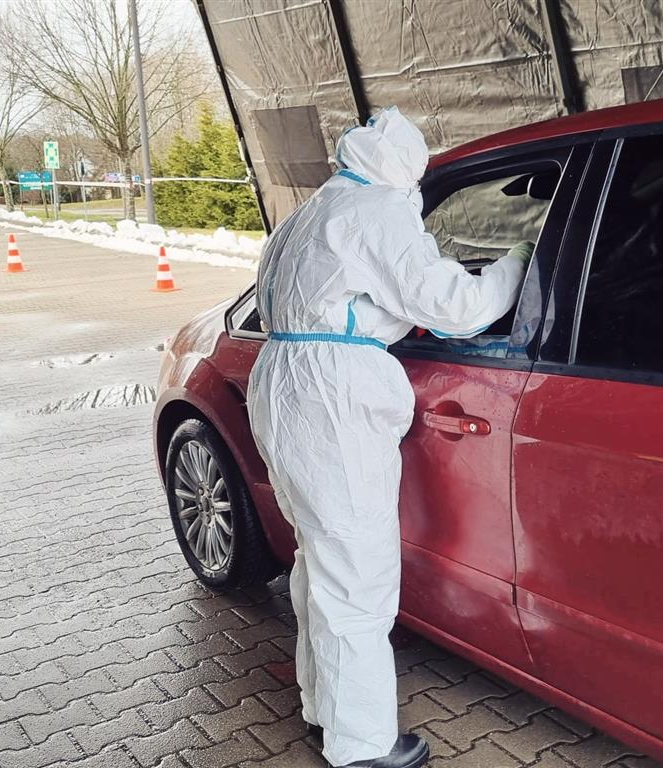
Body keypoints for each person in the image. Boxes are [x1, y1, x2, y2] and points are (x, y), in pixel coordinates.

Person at [247, 107, 533, 768]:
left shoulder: (316, 209)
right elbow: (455, 308)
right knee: (357, 575)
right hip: (331, 394)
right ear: (407, 170)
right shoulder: (378, 211)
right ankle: (363, 747)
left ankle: (327, 713)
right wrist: (516, 262)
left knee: (321, 562)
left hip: (286, 382)